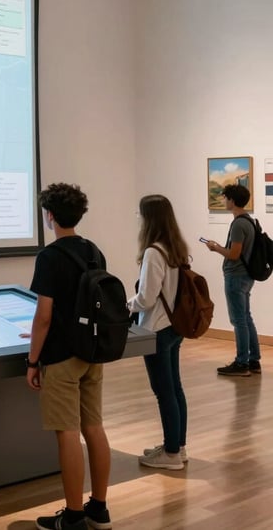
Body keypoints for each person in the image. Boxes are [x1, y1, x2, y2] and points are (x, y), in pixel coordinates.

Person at [26, 183, 112, 530]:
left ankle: (74, 515)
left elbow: (44, 315)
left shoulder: (49, 257)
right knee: (94, 427)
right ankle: (99, 510)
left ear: (49, 216)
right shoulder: (94, 251)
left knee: (67, 432)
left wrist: (33, 361)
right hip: (92, 351)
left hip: (61, 357)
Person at [128, 194, 189, 470]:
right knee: (174, 389)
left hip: (156, 329)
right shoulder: (175, 246)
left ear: (148, 218)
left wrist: (124, 305)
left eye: (140, 214)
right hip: (174, 327)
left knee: (163, 391)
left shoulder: (154, 251)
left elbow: (146, 299)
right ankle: (177, 445)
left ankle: (172, 453)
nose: (137, 219)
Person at [204, 184, 260, 377]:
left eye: (226, 198)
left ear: (232, 201)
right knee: (246, 318)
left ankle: (242, 362)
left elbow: (234, 254)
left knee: (239, 321)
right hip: (246, 276)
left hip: (236, 276)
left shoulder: (238, 224)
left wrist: (215, 247)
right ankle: (254, 361)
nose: (224, 201)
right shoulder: (249, 221)